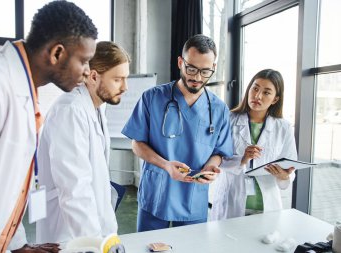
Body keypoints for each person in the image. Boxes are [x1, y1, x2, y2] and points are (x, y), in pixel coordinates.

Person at [0, 1, 98, 252]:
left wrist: (16, 243)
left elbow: (8, 185)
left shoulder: (24, 88)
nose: (88, 72)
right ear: (57, 53)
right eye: (85, 61)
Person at [121, 34, 233, 232]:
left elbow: (219, 152)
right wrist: (166, 165)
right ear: (180, 62)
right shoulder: (152, 98)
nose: (197, 77)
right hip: (157, 193)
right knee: (148, 247)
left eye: (205, 71)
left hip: (194, 197)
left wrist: (210, 167)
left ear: (213, 68)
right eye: (191, 68)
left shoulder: (219, 109)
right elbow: (136, 144)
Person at [36, 41, 130, 243]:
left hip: (94, 224)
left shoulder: (97, 107)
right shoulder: (70, 110)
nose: (125, 87)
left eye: (126, 79)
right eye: (118, 79)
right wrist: (94, 242)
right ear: (93, 76)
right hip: (67, 229)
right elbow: (74, 189)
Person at [209, 69, 297, 221]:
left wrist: (284, 176)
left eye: (266, 92)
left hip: (265, 205)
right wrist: (242, 160)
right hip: (231, 200)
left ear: (275, 99)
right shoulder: (228, 120)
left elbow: (290, 165)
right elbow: (215, 158)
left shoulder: (283, 127)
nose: (258, 96)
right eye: (255, 88)